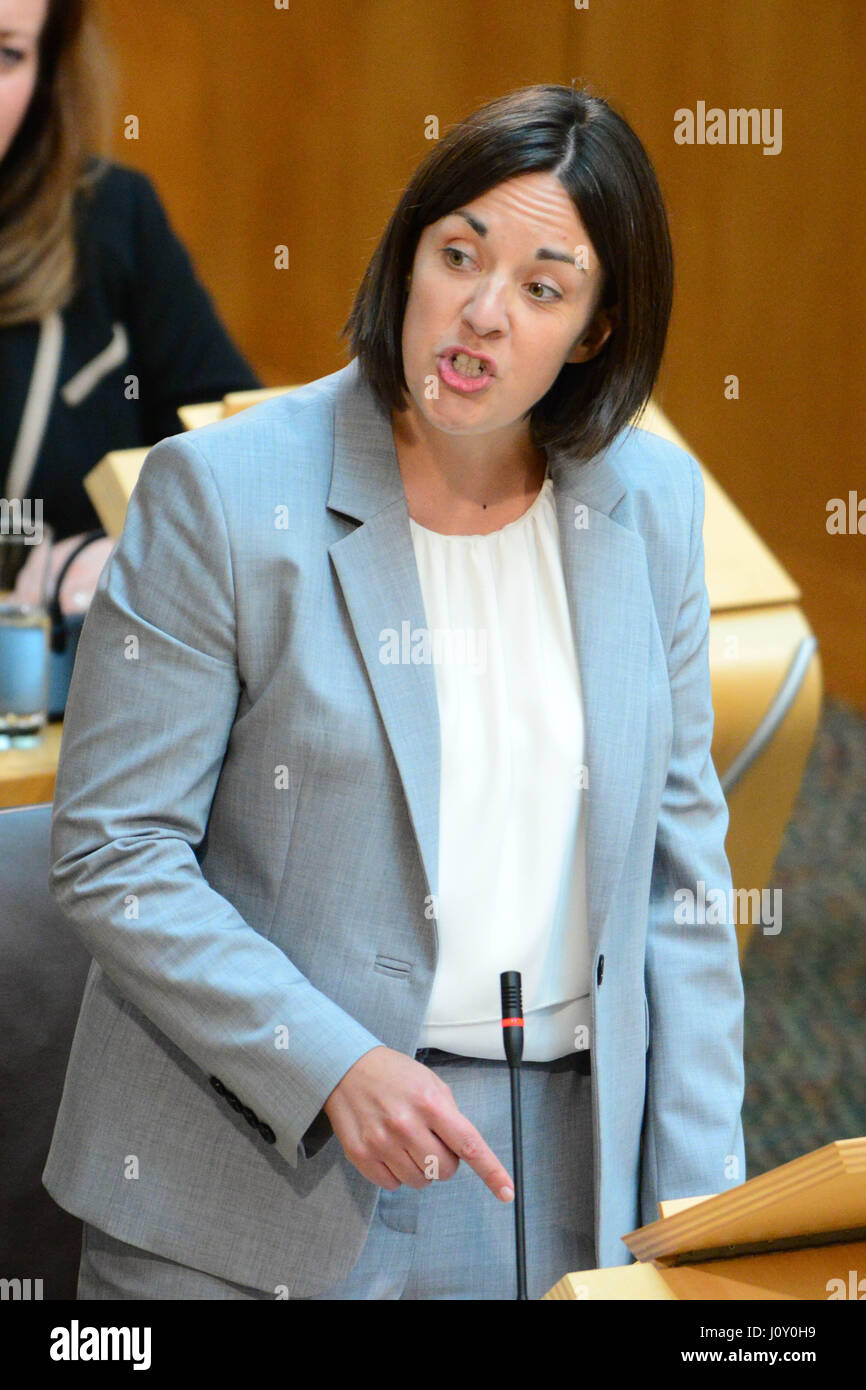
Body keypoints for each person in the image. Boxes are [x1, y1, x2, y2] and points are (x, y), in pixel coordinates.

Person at [43, 82, 747, 1301]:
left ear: (592, 328)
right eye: (456, 255)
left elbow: (679, 889)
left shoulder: (652, 511)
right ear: (405, 254)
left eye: (539, 285)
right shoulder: (221, 493)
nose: (478, 314)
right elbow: (115, 849)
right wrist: (327, 1062)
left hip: (545, 1180)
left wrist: (701, 1218)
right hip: (253, 1171)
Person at [0, 0, 260, 610]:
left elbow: (249, 466)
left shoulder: (113, 218)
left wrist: (129, 548)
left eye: (6, 53)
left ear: (46, 77)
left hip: (63, 693)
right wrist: (23, 560)